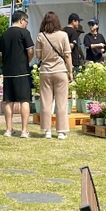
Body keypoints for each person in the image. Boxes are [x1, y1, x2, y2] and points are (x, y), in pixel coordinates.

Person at [35, 11, 73, 140]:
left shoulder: (41, 36)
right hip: (60, 71)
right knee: (61, 102)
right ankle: (61, 131)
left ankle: (47, 131)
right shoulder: (63, 35)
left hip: (45, 71)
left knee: (46, 102)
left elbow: (38, 56)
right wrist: (71, 72)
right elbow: (67, 54)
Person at [0, 10, 34, 138]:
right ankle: (24, 131)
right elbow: (30, 50)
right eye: (26, 22)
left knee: (8, 101)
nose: (26, 24)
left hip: (8, 71)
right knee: (24, 101)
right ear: (21, 20)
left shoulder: (5, 34)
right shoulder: (24, 33)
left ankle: (8, 129)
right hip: (22, 72)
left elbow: (1, 53)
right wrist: (27, 61)